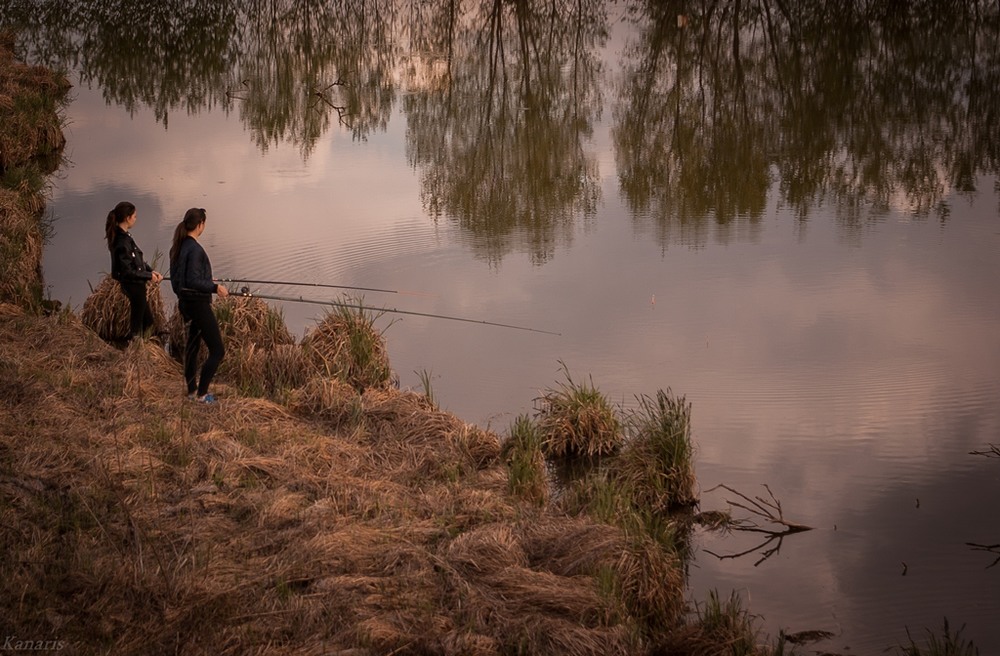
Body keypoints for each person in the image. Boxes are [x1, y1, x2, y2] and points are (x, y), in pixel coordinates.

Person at [169, 207, 229, 403]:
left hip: (186, 304)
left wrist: (208, 280)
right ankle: (202, 394)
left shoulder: (179, 246)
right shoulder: (195, 249)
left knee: (192, 348)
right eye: (204, 224)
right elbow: (193, 280)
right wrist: (214, 287)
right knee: (218, 350)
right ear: (200, 225)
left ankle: (192, 391)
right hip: (198, 305)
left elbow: (181, 282)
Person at [106, 201, 164, 341]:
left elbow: (137, 260)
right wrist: (149, 276)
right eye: (135, 216)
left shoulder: (125, 237)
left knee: (148, 322)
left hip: (137, 284)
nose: (136, 219)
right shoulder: (122, 241)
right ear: (128, 218)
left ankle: (146, 348)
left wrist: (151, 271)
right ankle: (137, 351)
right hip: (133, 286)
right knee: (138, 325)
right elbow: (127, 271)